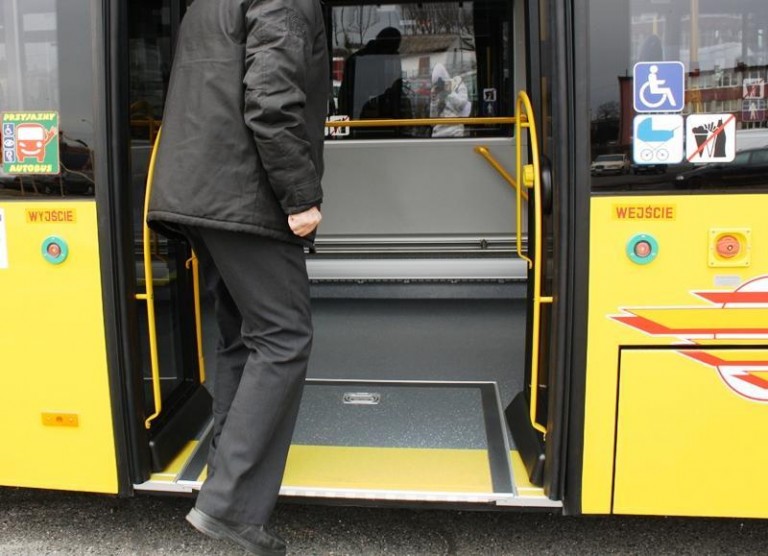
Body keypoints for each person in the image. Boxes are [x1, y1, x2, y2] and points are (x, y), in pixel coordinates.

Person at [146, 1, 329, 555]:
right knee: (284, 336)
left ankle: (222, 481)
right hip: (243, 195)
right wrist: (300, 196)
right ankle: (230, 507)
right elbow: (271, 101)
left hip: (199, 190)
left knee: (240, 338)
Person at [430, 63, 471, 138]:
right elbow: (432, 121)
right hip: (438, 133)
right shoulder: (437, 92)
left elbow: (462, 104)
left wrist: (448, 93)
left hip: (455, 131)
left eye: (441, 83)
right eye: (436, 84)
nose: (440, 86)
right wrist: (433, 101)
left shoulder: (458, 84)